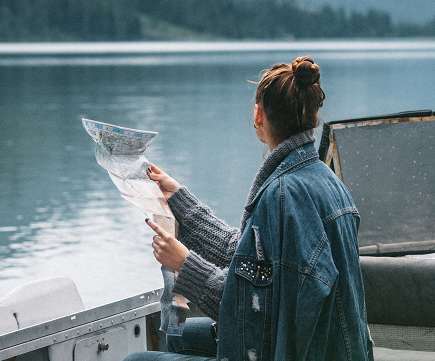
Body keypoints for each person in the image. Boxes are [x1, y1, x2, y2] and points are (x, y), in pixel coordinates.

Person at [123, 56, 374, 361]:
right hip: (334, 350)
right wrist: (178, 199)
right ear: (310, 115)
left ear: (258, 115)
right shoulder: (326, 181)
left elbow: (249, 313)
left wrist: (185, 264)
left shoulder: (281, 195)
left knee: (135, 360)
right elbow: (250, 259)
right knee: (181, 335)